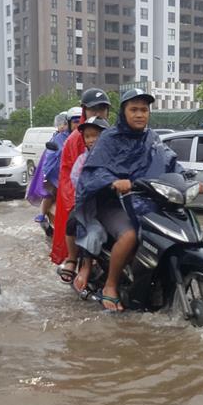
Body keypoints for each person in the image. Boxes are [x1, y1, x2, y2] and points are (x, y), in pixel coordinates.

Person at [73, 88, 195, 311]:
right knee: (130, 235)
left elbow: (169, 161)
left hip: (146, 199)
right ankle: (110, 286)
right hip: (111, 202)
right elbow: (93, 170)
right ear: (123, 112)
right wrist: (113, 181)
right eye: (134, 109)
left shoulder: (152, 137)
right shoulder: (109, 138)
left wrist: (187, 178)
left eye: (144, 110)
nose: (140, 114)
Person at [53, 88, 113, 282]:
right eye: (93, 109)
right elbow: (68, 177)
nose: (98, 112)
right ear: (84, 110)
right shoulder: (73, 141)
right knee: (77, 222)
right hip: (84, 198)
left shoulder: (114, 135)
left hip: (111, 197)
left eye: (102, 108)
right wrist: (78, 202)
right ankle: (76, 260)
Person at [68, 115, 109, 292]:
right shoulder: (82, 161)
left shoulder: (115, 155)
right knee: (83, 225)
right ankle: (83, 264)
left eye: (96, 135)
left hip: (116, 204)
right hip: (90, 205)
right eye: (88, 136)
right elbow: (76, 181)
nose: (92, 140)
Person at [26, 111, 69, 225]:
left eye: (63, 124)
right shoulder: (57, 137)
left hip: (70, 173)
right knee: (49, 193)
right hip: (55, 172)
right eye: (59, 124)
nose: (61, 126)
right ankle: (42, 214)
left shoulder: (77, 136)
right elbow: (50, 156)